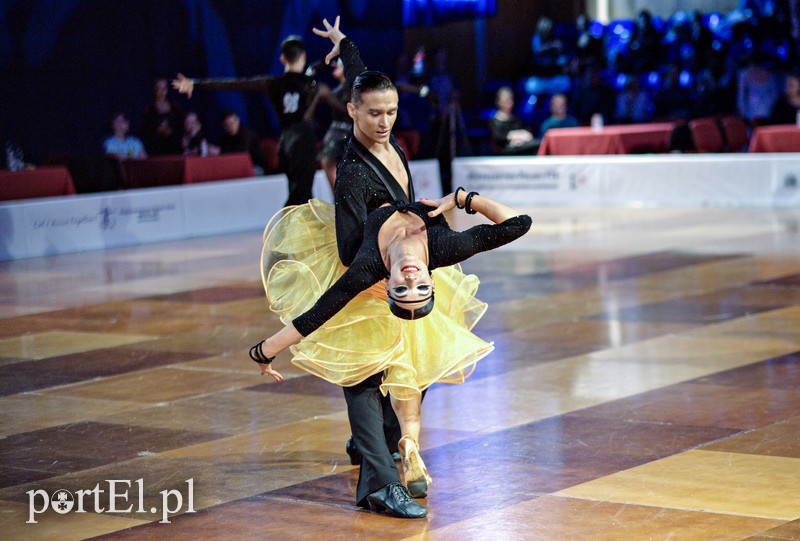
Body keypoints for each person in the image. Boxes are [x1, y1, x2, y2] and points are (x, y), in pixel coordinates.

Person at [252, 189, 531, 514]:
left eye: (403, 288)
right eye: (419, 288)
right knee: (404, 366)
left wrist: (264, 350)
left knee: (397, 366)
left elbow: (317, 314)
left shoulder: (369, 266)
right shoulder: (444, 248)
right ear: (431, 278)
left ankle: (394, 443)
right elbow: (517, 224)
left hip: (366, 249)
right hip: (382, 198)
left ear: (388, 284)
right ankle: (400, 441)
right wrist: (461, 199)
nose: (411, 279)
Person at [172, 35, 326, 205]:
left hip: (286, 142)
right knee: (301, 194)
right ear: (303, 55)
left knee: (299, 191)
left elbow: (233, 84)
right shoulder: (312, 85)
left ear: (282, 58)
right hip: (304, 140)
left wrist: (195, 83)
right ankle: (282, 228)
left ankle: (295, 227)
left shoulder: (272, 83)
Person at [317, 58, 351, 189]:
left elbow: (347, 112)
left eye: (339, 64)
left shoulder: (354, 89)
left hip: (347, 134)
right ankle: (338, 197)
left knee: (329, 161)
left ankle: (341, 197)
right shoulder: (338, 89)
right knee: (328, 161)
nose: (334, 66)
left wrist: (328, 98)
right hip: (336, 133)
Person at [487, 87, 538, 155]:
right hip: (504, 152)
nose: (509, 102)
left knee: (537, 144)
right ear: (498, 101)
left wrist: (518, 138)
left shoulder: (518, 119)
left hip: (521, 146)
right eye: (505, 100)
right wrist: (514, 137)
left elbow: (527, 134)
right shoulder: (493, 121)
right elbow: (498, 138)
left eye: (510, 99)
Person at [141, 77, 183, 156]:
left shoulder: (175, 107)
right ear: (154, 89)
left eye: (164, 88)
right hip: (155, 148)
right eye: (159, 88)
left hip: (174, 147)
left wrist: (171, 130)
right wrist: (157, 130)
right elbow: (145, 130)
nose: (162, 92)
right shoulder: (149, 110)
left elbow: (180, 125)